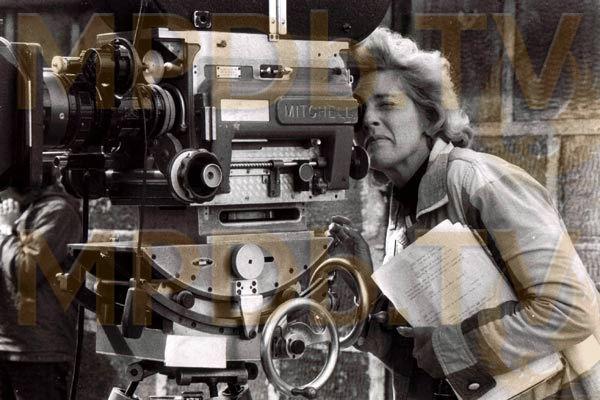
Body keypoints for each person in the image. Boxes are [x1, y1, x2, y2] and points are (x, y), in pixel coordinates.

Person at [328, 27, 600, 400]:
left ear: (429, 116)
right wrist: (365, 284)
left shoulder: (476, 181)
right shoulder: (402, 208)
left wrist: (451, 348)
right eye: (359, 112)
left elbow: (571, 310)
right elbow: (426, 361)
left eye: (386, 104)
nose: (368, 121)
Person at [0, 166, 81, 399]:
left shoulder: (57, 212)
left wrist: (5, 231)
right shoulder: (18, 211)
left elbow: (26, 270)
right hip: (7, 343)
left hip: (39, 350)